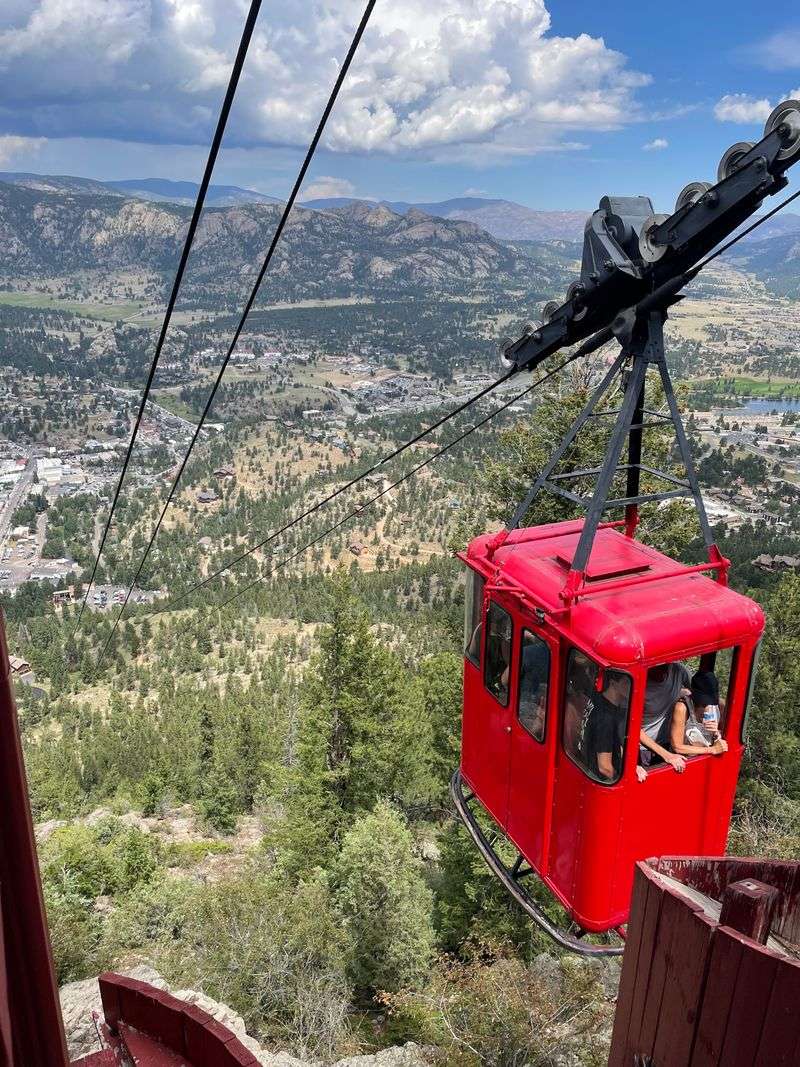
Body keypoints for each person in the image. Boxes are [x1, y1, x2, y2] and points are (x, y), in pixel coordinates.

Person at [579, 671, 630, 782]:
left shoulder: (597, 698)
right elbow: (604, 768)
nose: (630, 686)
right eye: (626, 682)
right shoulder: (606, 719)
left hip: (584, 764)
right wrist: (621, 781)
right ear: (613, 683)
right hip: (598, 778)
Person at [640, 663, 691, 774]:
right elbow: (631, 726)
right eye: (656, 667)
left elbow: (699, 696)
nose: (661, 671)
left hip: (669, 742)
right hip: (643, 749)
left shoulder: (678, 672)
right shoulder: (639, 685)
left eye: (665, 666)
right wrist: (667, 755)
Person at [691, 669, 723, 742]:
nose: (707, 706)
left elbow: (725, 736)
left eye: (710, 702)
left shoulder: (720, 706)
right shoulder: (682, 707)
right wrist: (712, 750)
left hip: (708, 749)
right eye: (703, 703)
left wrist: (716, 732)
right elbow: (677, 746)